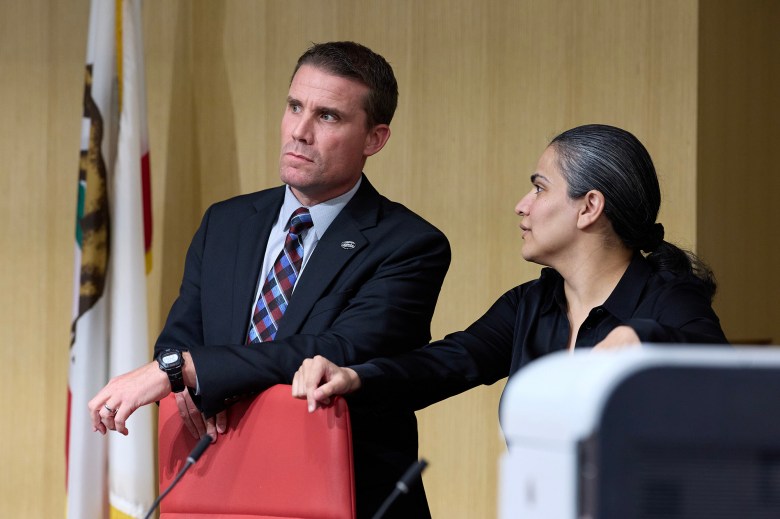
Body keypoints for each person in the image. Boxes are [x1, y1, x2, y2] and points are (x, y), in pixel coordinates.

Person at [89, 41, 450, 518]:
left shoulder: (409, 244)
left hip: (347, 495)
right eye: (294, 106)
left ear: (374, 139)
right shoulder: (226, 222)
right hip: (218, 486)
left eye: (328, 117)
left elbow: (337, 351)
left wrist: (195, 371)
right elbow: (179, 339)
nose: (299, 132)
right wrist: (187, 373)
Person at [292, 123, 728, 422]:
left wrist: (645, 339)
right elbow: (442, 364)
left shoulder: (669, 298)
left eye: (539, 188)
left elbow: (724, 375)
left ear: (589, 207)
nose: (523, 204)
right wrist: (355, 376)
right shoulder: (528, 306)